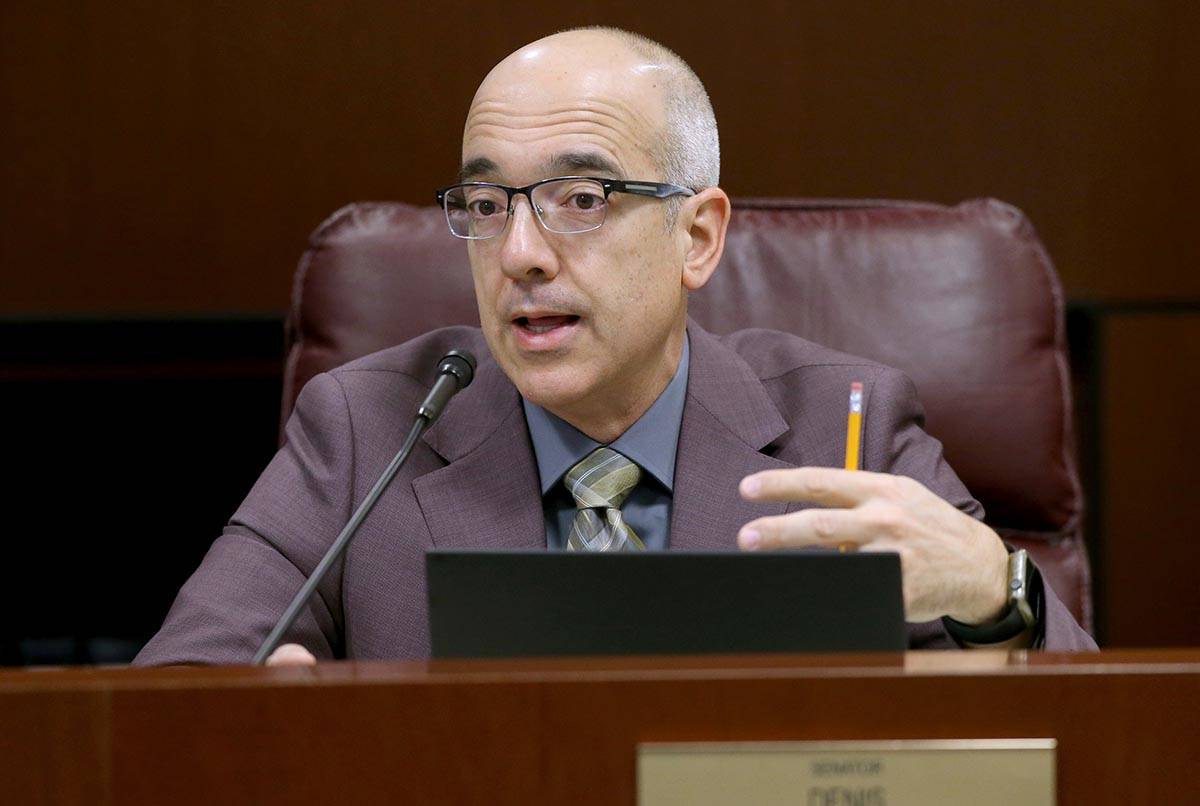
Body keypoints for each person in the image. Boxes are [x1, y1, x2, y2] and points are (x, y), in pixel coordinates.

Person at [135, 27, 1096, 667]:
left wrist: (997, 590)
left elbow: (1085, 738)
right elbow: (178, 694)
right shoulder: (364, 427)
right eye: (484, 205)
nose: (519, 255)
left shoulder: (844, 423)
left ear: (698, 236)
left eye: (581, 201)